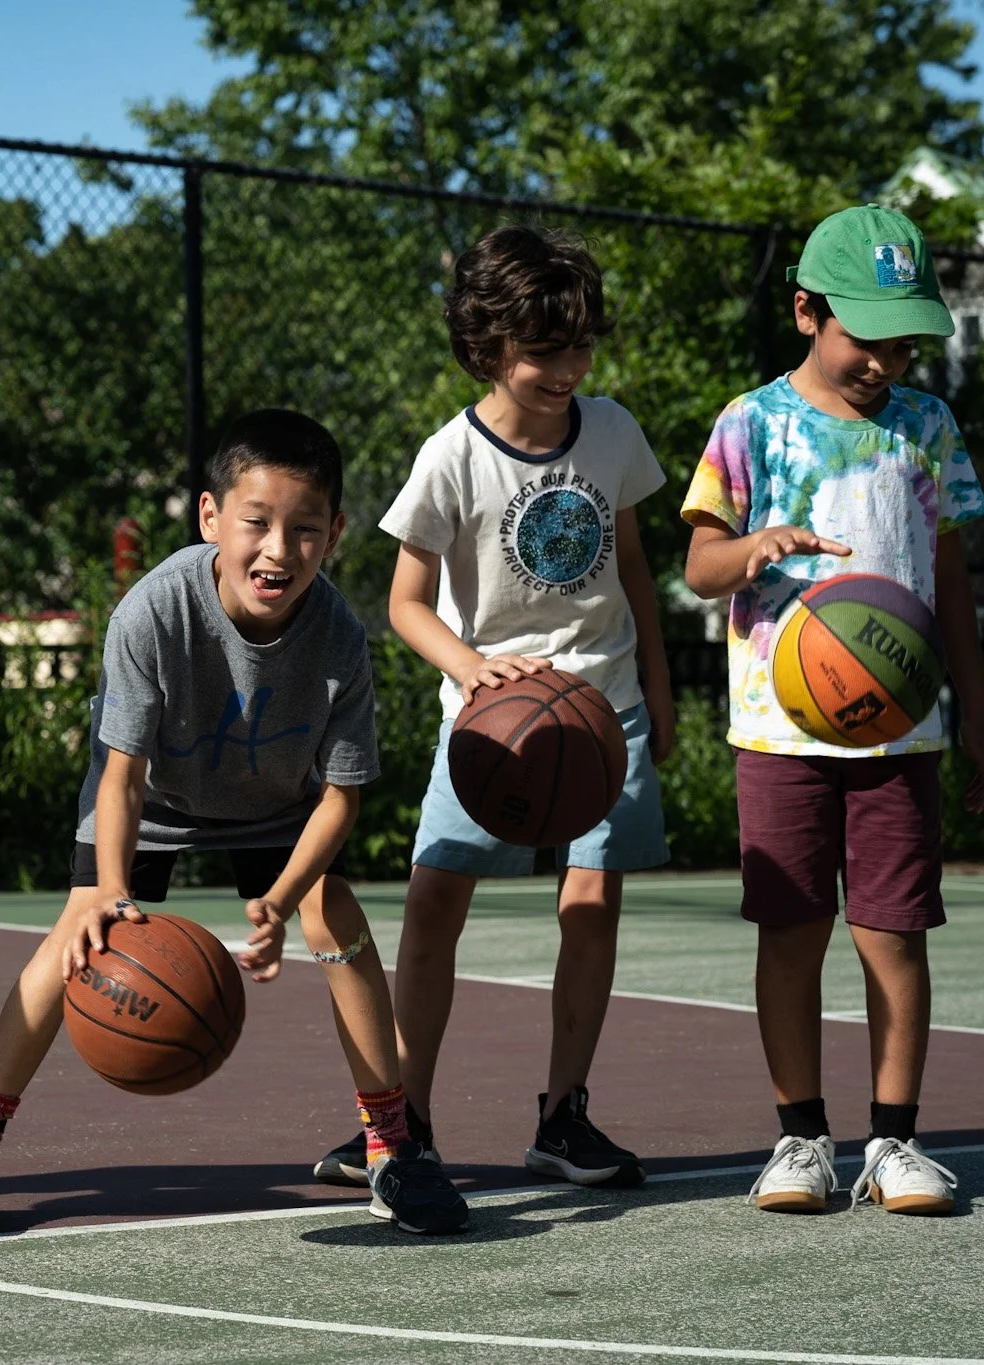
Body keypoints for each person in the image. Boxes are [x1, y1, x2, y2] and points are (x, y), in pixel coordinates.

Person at [0, 409, 469, 1237]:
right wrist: (106, 888)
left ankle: (392, 1142)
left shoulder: (341, 638)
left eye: (305, 528)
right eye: (257, 523)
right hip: (155, 796)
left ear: (336, 532)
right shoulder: (152, 611)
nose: (279, 549)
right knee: (78, 929)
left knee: (336, 916)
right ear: (211, 518)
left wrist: (280, 901)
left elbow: (339, 799)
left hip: (276, 802)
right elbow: (122, 774)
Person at [314, 225, 673, 1191]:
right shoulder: (450, 457)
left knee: (592, 904)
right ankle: (402, 1119)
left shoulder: (613, 431)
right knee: (433, 905)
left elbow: (634, 570)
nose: (568, 368)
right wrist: (470, 668)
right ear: (486, 346)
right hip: (493, 719)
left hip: (604, 706)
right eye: (543, 350)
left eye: (581, 346)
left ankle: (564, 1115)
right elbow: (402, 602)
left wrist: (662, 694)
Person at [680, 204, 984, 1216]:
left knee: (893, 935)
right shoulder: (747, 422)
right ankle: (799, 1138)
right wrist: (752, 546)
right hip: (779, 733)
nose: (885, 357)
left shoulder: (928, 427)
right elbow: (696, 568)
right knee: (790, 930)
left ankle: (893, 1142)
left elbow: (946, 583)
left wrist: (977, 720)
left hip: (901, 733)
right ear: (805, 312)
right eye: (866, 333)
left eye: (902, 336)